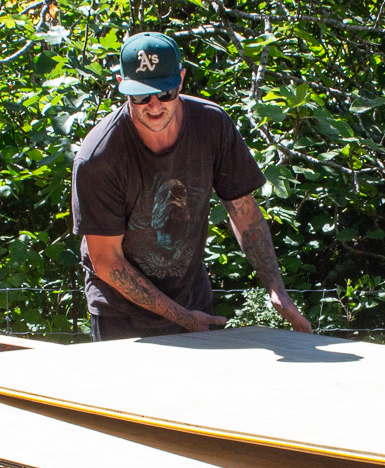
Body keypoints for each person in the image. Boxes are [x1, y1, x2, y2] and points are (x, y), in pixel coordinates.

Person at [71, 32, 314, 340]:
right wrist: (183, 318)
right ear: (121, 84)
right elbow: (107, 261)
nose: (155, 105)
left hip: (192, 300)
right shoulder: (98, 157)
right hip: (121, 316)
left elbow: (244, 213)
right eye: (141, 96)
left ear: (182, 79)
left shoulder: (211, 125)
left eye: (166, 92)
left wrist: (277, 291)